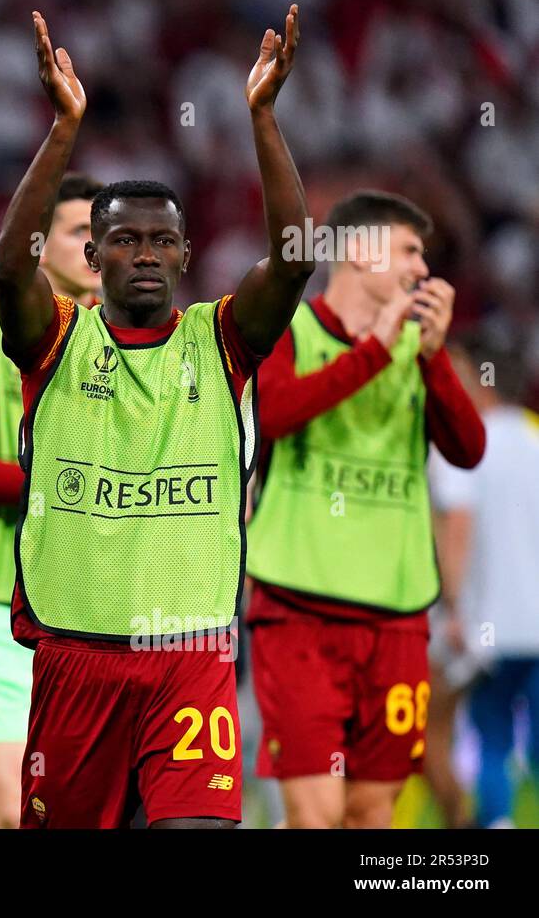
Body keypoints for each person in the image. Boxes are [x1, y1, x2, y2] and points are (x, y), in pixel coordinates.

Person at [0, 7, 312, 829]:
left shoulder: (222, 337)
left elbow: (296, 259)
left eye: (159, 240)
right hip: (75, 658)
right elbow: (9, 266)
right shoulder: (56, 338)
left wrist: (263, 117)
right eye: (123, 239)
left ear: (183, 252)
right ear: (92, 256)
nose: (142, 252)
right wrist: (65, 128)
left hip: (190, 656)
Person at [246, 190, 486, 829]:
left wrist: (433, 358)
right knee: (314, 812)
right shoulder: (286, 331)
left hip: (396, 617)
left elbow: (468, 450)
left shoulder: (422, 350)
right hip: (298, 613)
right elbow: (275, 416)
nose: (420, 270)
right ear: (357, 251)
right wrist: (374, 352)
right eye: (409, 251)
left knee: (371, 810)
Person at [0, 172, 102, 827]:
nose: (96, 246)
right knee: (15, 811)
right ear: (36, 246)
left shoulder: (136, 333)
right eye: (79, 231)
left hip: (99, 604)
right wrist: (78, 484)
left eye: (104, 233)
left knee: (85, 808)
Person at [428, 334, 538, 828]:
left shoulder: (466, 440)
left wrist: (452, 606)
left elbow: (458, 524)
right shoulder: (536, 440)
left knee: (489, 734)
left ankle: (494, 824)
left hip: (490, 627)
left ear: (480, 379)